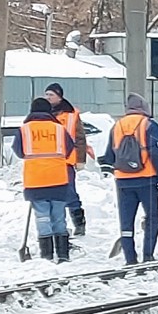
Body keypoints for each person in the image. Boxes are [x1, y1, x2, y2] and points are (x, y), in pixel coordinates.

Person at [107, 92, 158, 266]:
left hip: (122, 181)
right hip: (146, 179)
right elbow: (157, 153)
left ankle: (130, 258)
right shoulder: (148, 125)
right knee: (151, 218)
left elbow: (109, 156)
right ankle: (148, 255)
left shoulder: (116, 126)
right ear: (144, 107)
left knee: (126, 221)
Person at [20, 97, 75, 262]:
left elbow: (18, 150)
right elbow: (70, 147)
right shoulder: (59, 129)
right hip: (58, 178)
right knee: (58, 216)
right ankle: (63, 254)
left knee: (42, 216)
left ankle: (47, 254)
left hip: (35, 180)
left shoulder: (24, 129)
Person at [45, 84, 92, 237]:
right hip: (49, 161)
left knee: (69, 193)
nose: (48, 98)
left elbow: (80, 137)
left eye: (51, 95)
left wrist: (80, 160)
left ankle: (79, 223)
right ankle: (58, 225)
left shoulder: (71, 114)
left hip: (66, 160)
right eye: (46, 95)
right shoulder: (43, 113)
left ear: (59, 96)